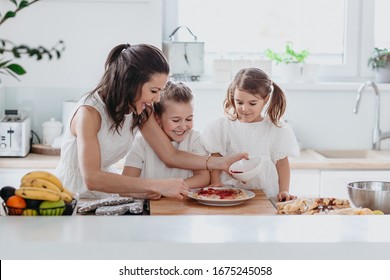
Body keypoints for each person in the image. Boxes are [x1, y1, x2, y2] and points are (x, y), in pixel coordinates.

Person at [56, 43, 245, 200]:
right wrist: (157, 186)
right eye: (154, 91)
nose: (156, 100)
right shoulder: (89, 113)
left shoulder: (139, 108)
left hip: (107, 196)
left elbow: (170, 155)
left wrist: (219, 163)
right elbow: (93, 178)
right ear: (130, 82)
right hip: (72, 196)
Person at [201, 67, 300, 202]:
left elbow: (282, 163)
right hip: (230, 193)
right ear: (232, 97)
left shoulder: (275, 128)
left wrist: (284, 190)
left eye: (252, 103)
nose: (244, 108)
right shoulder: (223, 126)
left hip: (266, 194)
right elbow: (216, 157)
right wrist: (216, 183)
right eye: (239, 102)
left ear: (265, 100)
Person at [123, 81, 210, 199]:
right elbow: (125, 186)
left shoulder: (195, 139)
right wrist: (152, 190)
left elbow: (203, 177)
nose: (183, 126)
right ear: (158, 119)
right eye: (176, 120)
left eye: (189, 119)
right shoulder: (141, 143)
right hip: (150, 206)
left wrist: (174, 188)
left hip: (181, 204)